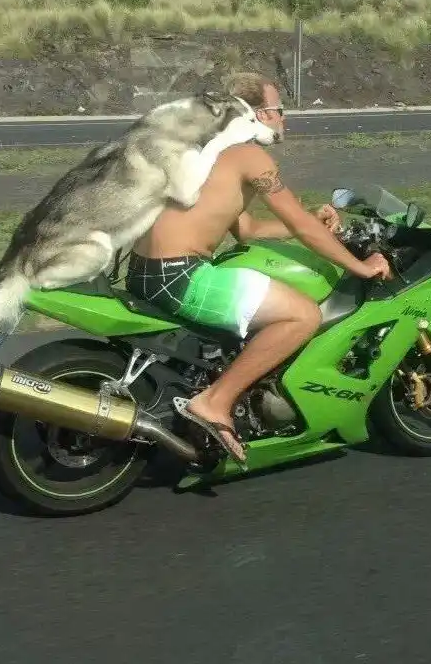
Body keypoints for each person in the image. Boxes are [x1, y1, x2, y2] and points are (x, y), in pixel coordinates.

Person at [126, 72, 391, 466]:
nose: (285, 119)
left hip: (146, 270)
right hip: (179, 275)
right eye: (280, 110)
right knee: (303, 315)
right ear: (260, 114)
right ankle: (214, 403)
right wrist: (361, 265)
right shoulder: (250, 157)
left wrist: (310, 220)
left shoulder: (207, 151)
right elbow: (302, 228)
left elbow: (247, 229)